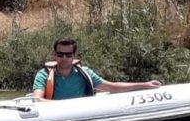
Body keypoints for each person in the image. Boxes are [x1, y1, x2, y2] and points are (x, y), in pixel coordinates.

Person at [32, 38, 162, 100]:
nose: (64, 58)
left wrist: (145, 84)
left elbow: (112, 87)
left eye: (68, 55)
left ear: (74, 56)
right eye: (60, 54)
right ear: (54, 55)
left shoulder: (85, 73)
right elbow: (37, 99)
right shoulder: (44, 75)